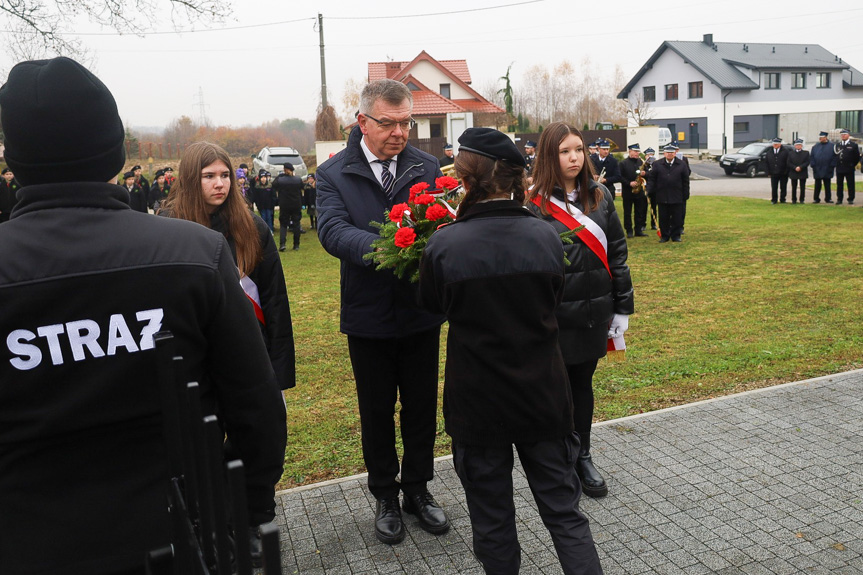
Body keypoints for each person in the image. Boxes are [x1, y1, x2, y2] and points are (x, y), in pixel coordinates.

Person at [0, 56, 286, 575]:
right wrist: (249, 507)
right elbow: (256, 405)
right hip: (181, 535)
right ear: (114, 149)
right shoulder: (194, 254)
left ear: (13, 158)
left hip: (31, 542)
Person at [418, 127, 603, 575]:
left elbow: (431, 306)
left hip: (478, 401)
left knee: (493, 522)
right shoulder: (542, 236)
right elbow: (553, 297)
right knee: (564, 513)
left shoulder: (444, 245)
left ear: (466, 180)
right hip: (542, 393)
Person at [316, 78, 448, 545]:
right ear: (363, 121)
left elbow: (443, 220)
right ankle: (385, 495)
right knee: (376, 410)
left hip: (419, 312)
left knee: (420, 407)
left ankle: (417, 489)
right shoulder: (333, 173)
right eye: (388, 123)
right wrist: (391, 247)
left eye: (405, 122)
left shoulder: (426, 166)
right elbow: (332, 230)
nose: (398, 132)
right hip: (368, 315)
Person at [527, 122, 634, 501]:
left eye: (579, 150)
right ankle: (559, 457)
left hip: (594, 314)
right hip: (553, 319)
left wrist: (623, 308)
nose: (574, 158)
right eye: (564, 151)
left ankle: (583, 455)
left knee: (582, 387)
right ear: (548, 156)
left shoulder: (600, 195)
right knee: (555, 392)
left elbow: (618, 254)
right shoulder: (532, 203)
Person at [162, 141, 295, 392]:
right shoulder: (167, 228)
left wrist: (279, 371)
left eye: (225, 175)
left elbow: (274, 298)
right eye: (208, 176)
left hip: (249, 352)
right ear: (190, 179)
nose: (220, 184)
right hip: (192, 357)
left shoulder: (252, 228)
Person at [647, 144, 690, 242]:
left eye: (671, 152)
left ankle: (676, 235)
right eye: (667, 152)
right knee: (663, 217)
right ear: (664, 153)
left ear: (675, 153)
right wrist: (649, 190)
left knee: (677, 217)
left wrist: (685, 194)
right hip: (662, 195)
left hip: (677, 195)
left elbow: (685, 181)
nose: (669, 154)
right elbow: (652, 179)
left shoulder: (682, 164)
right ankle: (665, 236)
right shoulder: (657, 164)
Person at [618, 143, 648, 237]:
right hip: (628, 191)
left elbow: (648, 173)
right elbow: (620, 177)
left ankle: (638, 230)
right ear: (629, 151)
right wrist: (629, 183)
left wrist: (644, 173)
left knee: (639, 211)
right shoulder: (623, 163)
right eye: (635, 151)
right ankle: (629, 230)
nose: (637, 153)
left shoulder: (641, 162)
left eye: (638, 151)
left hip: (639, 191)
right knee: (628, 212)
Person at [272, 162, 304, 251]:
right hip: (296, 205)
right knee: (296, 224)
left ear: (284, 170)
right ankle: (296, 245)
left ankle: (282, 244)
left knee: (283, 225)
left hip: (284, 205)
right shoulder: (298, 180)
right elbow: (302, 188)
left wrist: (279, 176)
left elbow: (273, 185)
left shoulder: (280, 180)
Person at [810, 131, 836, 203]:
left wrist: (832, 166)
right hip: (817, 168)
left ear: (825, 138)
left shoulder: (832, 146)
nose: (820, 139)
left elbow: (834, 157)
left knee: (827, 185)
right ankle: (816, 198)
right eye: (819, 138)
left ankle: (828, 198)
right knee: (817, 185)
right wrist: (813, 165)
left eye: (821, 138)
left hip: (827, 168)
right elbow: (812, 157)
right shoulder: (815, 147)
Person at [835, 128, 860, 205]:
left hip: (849, 167)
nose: (843, 136)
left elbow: (856, 157)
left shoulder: (853, 145)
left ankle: (850, 198)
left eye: (845, 134)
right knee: (839, 184)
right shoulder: (838, 145)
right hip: (840, 168)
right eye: (842, 135)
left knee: (850, 184)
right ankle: (839, 199)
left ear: (848, 135)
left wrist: (852, 164)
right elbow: (835, 155)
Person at [765, 137, 789, 204]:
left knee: (783, 187)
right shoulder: (769, 152)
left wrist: (786, 171)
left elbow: (788, 162)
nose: (775, 145)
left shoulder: (785, 151)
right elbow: (766, 162)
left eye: (776, 144)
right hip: (773, 173)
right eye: (774, 144)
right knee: (774, 187)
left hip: (783, 173)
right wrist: (768, 172)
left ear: (780, 144)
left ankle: (782, 199)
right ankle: (774, 199)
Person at [787, 138, 810, 204]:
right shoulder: (791, 153)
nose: (798, 146)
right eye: (797, 145)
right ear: (795, 146)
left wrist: (800, 167)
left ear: (801, 146)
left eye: (799, 145)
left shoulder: (806, 153)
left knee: (802, 187)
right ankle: (794, 199)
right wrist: (795, 167)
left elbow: (807, 162)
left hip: (802, 171)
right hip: (793, 172)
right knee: (794, 187)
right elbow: (788, 162)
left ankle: (802, 199)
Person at [643, 147, 658, 229]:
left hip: (654, 188)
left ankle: (654, 223)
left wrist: (646, 174)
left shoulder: (656, 165)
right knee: (643, 207)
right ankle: (643, 224)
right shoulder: (643, 165)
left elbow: (654, 175)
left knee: (654, 207)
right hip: (644, 187)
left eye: (652, 155)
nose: (650, 156)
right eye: (648, 155)